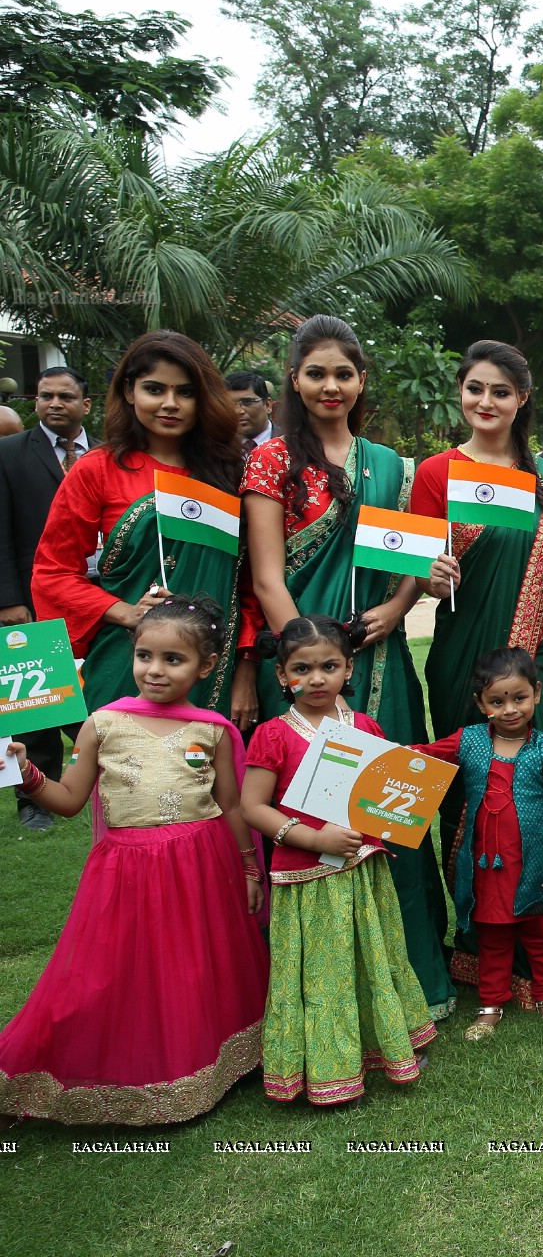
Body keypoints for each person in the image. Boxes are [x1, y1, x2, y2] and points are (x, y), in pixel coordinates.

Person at [241, 314, 450, 1015]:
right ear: (294, 380)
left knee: (392, 807)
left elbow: (408, 560)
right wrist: (306, 662)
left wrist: (397, 609)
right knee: (311, 814)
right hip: (308, 672)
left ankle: (411, 977)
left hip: (382, 660)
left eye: (344, 373)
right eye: (316, 373)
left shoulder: (388, 464)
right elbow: (267, 577)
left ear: (362, 380)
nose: (331, 386)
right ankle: (319, 988)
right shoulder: (272, 460)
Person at [1, 597, 269, 1124]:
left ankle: (205, 1066)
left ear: (206, 665)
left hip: (203, 865)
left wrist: (247, 868)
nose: (155, 670)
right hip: (126, 869)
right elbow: (71, 800)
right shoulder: (104, 723)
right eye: (145, 655)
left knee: (195, 968)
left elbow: (233, 805)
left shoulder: (213, 729)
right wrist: (29, 775)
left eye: (174, 659)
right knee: (103, 974)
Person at [240, 616, 435, 1105]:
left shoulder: (364, 726)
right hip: (306, 875)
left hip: (361, 867)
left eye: (329, 666)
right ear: (282, 676)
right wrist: (310, 837)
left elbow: (381, 794)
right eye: (301, 669)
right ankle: (328, 1069)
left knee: (372, 959)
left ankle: (386, 1047)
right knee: (321, 973)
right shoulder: (272, 734)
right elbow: (252, 807)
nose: (316, 678)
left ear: (349, 668)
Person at [32, 330, 256, 727]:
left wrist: (245, 668)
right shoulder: (97, 469)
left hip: (211, 670)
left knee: (206, 784)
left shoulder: (231, 475)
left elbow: (249, 585)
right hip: (128, 664)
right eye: (155, 389)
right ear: (130, 392)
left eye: (185, 392)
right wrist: (124, 611)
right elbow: (52, 573)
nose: (170, 404)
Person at [411, 340, 543, 744]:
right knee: (466, 783)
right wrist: (433, 578)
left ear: (522, 398)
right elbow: (424, 574)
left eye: (501, 392)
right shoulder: (436, 472)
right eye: (475, 389)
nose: (485, 402)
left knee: (540, 783)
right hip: (464, 655)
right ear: (460, 390)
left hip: (541, 655)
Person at [416, 647, 543, 1040]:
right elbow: (420, 759)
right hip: (487, 868)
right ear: (480, 703)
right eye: (497, 701)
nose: (509, 709)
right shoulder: (468, 741)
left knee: (541, 933)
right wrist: (371, 755)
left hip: (536, 865)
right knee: (492, 935)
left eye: (519, 698)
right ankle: (490, 1003)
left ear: (537, 694)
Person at [0, 366, 94, 830]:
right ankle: (35, 797)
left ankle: (109, 775)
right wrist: (7, 599)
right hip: (34, 597)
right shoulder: (10, 453)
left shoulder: (109, 455)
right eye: (45, 396)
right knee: (38, 698)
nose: (54, 404)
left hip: (102, 598)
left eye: (65, 397)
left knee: (101, 688)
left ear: (86, 405)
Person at [227, 369, 276, 454]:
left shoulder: (293, 443)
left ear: (268, 405)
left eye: (247, 402)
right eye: (230, 404)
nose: (238, 411)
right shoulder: (217, 447)